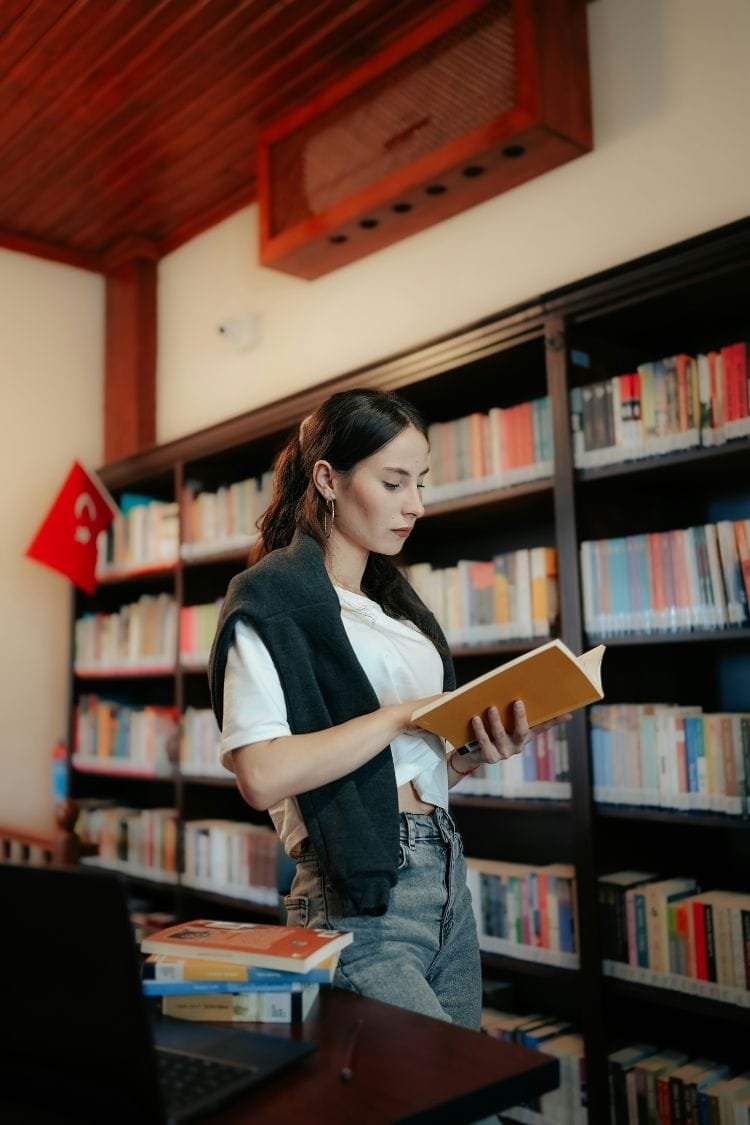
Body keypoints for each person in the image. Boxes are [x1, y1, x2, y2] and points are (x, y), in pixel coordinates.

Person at [208, 387, 559, 1031]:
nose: (416, 506)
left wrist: (466, 754)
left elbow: (395, 773)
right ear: (328, 479)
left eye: (420, 482)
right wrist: (403, 715)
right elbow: (259, 775)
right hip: (356, 895)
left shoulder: (394, 606)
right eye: (394, 482)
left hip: (446, 872)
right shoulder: (271, 598)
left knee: (460, 1097)